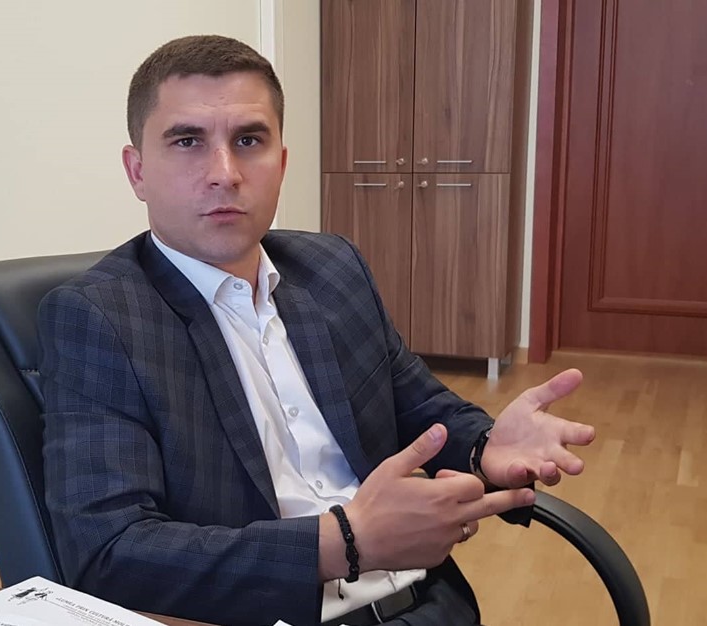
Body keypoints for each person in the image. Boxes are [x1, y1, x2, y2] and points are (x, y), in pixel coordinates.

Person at [38, 35, 595, 626]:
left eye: (248, 140)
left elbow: (421, 408)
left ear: (281, 163)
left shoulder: (331, 268)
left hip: (432, 603)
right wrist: (344, 542)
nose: (224, 174)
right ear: (137, 171)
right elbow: (110, 552)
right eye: (187, 141)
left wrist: (485, 446)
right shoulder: (99, 318)